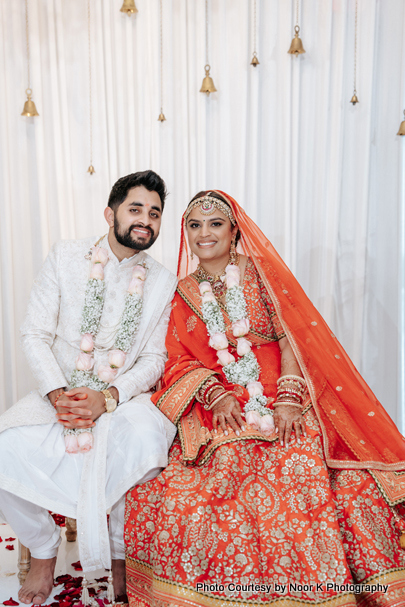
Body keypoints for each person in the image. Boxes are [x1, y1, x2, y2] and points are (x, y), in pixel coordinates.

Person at [125, 190, 405, 607]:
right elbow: (178, 359)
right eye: (195, 226)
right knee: (216, 470)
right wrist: (217, 395)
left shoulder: (262, 275)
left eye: (215, 224)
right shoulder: (183, 291)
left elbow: (293, 338)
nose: (205, 234)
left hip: (284, 392)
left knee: (299, 460)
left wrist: (289, 398)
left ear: (234, 231)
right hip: (221, 402)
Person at [0, 170, 178, 605]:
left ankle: (119, 556)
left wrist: (109, 397)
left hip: (124, 399)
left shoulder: (162, 281)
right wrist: (58, 392)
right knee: (3, 449)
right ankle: (43, 548)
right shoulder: (66, 256)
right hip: (58, 391)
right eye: (135, 209)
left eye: (154, 213)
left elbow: (155, 359)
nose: (145, 220)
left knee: (141, 442)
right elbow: (34, 334)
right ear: (109, 212)